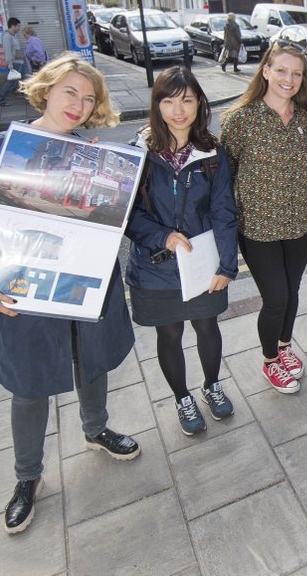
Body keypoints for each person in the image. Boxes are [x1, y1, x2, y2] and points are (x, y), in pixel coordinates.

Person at [0, 54, 139, 535]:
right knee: (29, 385)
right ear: (46, 89)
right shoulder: (4, 146)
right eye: (70, 91)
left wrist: (110, 179)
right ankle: (27, 478)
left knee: (91, 361)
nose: (79, 103)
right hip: (24, 289)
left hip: (84, 284)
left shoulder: (89, 152)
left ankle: (95, 430)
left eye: (89, 98)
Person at [125, 66, 239, 435]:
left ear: (199, 104)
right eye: (169, 101)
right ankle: (182, 397)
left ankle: (211, 385)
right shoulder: (139, 152)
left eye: (187, 100)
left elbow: (224, 210)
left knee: (207, 326)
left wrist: (227, 265)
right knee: (169, 334)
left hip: (201, 263)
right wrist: (163, 236)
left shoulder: (212, 152)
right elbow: (127, 215)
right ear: (157, 105)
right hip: (155, 267)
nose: (178, 110)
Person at [221, 43, 307, 394]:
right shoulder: (240, 119)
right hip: (258, 226)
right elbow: (225, 175)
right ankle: (269, 361)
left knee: (291, 292)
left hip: (301, 221)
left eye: (296, 73)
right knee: (275, 296)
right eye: (281, 70)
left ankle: (284, 347)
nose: (288, 79)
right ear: (265, 70)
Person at [0, 17, 25, 106]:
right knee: (12, 83)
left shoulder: (13, 36)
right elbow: (7, 51)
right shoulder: (7, 37)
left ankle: (27, 96)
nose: (19, 28)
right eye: (18, 26)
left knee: (22, 79)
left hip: (19, 61)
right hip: (14, 63)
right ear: (13, 26)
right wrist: (10, 63)